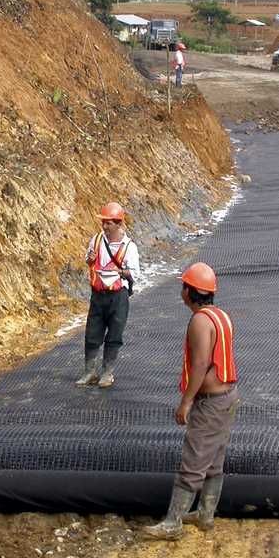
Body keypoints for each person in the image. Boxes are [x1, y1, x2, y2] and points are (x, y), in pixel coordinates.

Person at [145, 262, 239, 540]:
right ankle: (205, 515)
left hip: (211, 402)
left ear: (190, 291)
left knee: (194, 460)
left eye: (183, 286)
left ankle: (173, 523)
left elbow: (200, 365)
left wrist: (186, 402)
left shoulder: (200, 321)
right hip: (228, 396)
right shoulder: (221, 315)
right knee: (214, 459)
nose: (181, 291)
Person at [76, 202, 140, 389]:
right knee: (92, 332)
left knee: (114, 334)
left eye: (108, 223)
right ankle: (90, 372)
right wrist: (90, 260)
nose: (104, 226)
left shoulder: (129, 247)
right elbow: (89, 260)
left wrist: (121, 272)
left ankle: (107, 373)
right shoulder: (96, 240)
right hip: (98, 295)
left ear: (119, 223)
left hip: (117, 296)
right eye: (103, 222)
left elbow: (134, 273)